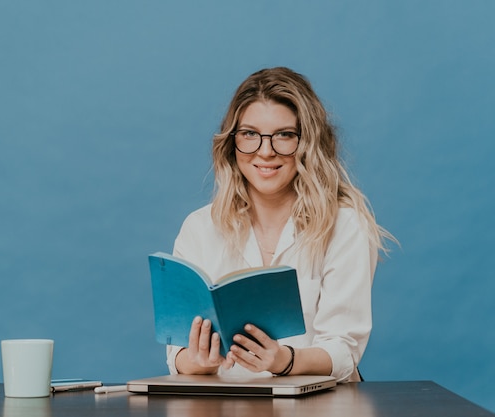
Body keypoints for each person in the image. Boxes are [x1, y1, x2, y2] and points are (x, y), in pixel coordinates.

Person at [166, 67, 394, 383]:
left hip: (319, 406)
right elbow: (176, 354)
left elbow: (344, 351)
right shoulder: (199, 228)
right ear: (232, 142)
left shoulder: (344, 225)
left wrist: (283, 360)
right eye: (249, 134)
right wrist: (198, 360)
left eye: (284, 135)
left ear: (307, 142)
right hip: (226, 405)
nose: (265, 151)